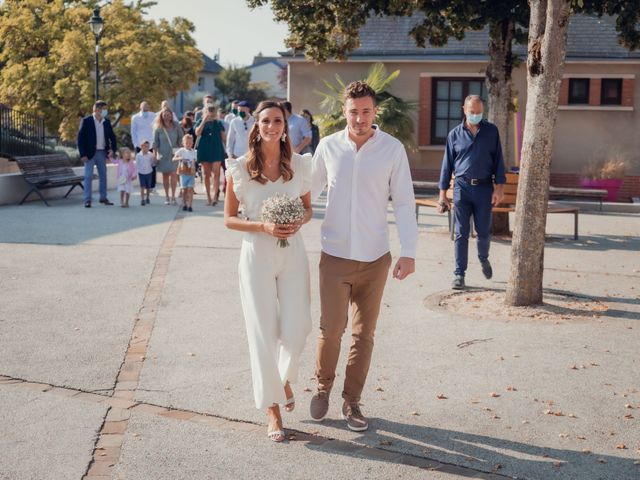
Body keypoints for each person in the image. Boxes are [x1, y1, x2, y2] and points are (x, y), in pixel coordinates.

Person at [309, 81, 418, 432]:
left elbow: (403, 201)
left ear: (375, 113)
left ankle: (351, 401)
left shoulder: (391, 149)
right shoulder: (327, 147)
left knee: (364, 334)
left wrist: (409, 252)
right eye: (353, 112)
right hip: (335, 255)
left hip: (375, 258)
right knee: (330, 330)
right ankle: (323, 387)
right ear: (344, 112)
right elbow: (307, 193)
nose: (359, 118)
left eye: (366, 112)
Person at [224, 100, 313, 443]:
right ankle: (272, 408)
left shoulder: (299, 165)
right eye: (266, 121)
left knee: (297, 328)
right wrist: (263, 226)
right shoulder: (240, 168)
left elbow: (308, 210)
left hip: (293, 252)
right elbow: (230, 219)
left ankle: (283, 378)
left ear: (285, 125)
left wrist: (295, 221)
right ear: (256, 126)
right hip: (256, 253)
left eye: (278, 120)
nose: (272, 126)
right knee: (262, 332)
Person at [437, 94, 506, 290]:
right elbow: (446, 166)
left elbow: (498, 161)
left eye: (479, 112)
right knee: (460, 233)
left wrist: (499, 188)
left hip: (484, 189)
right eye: (472, 112)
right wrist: (442, 195)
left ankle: (483, 258)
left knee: (483, 232)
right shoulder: (454, 135)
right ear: (464, 110)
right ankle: (459, 274)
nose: (475, 115)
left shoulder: (491, 132)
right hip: (461, 188)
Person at [77, 100, 117, 208]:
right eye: (104, 109)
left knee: (103, 176)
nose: (105, 111)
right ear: (97, 109)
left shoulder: (106, 122)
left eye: (105, 109)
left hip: (102, 153)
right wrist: (82, 154)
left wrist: (113, 149)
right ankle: (87, 200)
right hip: (89, 154)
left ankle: (103, 198)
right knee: (88, 176)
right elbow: (80, 139)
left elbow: (112, 137)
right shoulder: (86, 121)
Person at [195, 101, 226, 206]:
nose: (211, 112)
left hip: (216, 149)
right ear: (205, 111)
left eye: (213, 110)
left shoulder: (218, 123)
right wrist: (204, 120)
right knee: (206, 174)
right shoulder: (200, 121)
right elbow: (197, 133)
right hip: (204, 149)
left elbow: (224, 138)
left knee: (216, 174)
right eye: (209, 109)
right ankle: (208, 197)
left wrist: (227, 151)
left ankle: (214, 197)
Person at [153, 107, 183, 205]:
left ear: (171, 115)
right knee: (165, 176)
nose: (167, 116)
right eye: (165, 114)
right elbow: (155, 143)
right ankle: (166, 196)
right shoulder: (158, 128)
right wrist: (154, 155)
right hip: (163, 154)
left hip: (174, 154)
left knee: (174, 175)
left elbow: (181, 138)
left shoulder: (176, 125)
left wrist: (181, 150)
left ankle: (173, 196)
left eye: (168, 114)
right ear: (161, 116)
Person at [131, 101, 158, 192]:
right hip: (140, 145)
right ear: (140, 108)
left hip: (150, 144)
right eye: (143, 107)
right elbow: (133, 132)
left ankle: (152, 186)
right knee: (141, 166)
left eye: (147, 107)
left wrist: (155, 144)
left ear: (149, 107)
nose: (145, 109)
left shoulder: (153, 116)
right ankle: (143, 185)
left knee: (152, 165)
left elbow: (156, 129)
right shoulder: (135, 118)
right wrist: (135, 145)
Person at [174, 134, 197, 212]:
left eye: (190, 143)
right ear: (183, 143)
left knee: (190, 189)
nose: (188, 145)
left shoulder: (194, 152)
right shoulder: (181, 150)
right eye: (186, 143)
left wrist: (193, 164)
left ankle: (190, 205)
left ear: (192, 143)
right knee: (184, 190)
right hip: (183, 173)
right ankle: (184, 204)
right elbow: (173, 158)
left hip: (191, 172)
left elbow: (195, 161)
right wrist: (181, 158)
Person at [136, 139, 154, 205]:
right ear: (141, 146)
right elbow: (137, 164)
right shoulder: (138, 155)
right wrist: (136, 173)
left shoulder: (150, 154)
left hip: (149, 172)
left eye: (148, 147)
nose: (146, 148)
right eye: (145, 146)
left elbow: (152, 163)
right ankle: (142, 199)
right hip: (141, 173)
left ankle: (147, 198)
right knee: (142, 186)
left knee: (148, 187)